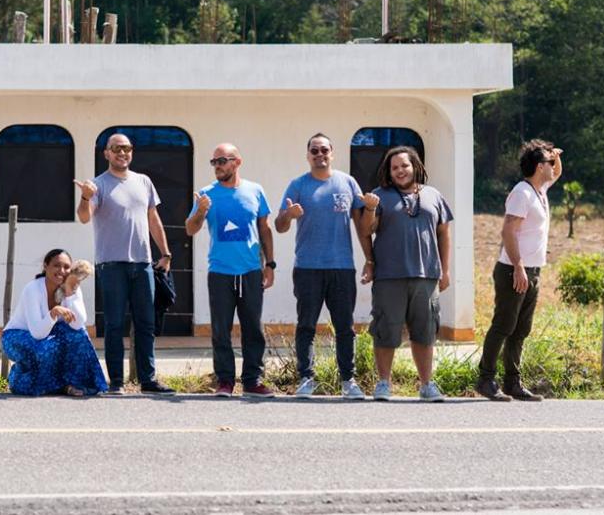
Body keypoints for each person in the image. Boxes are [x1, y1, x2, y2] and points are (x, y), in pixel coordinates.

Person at [75, 133, 174, 395]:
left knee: (146, 324)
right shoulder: (98, 184)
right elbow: (84, 217)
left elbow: (153, 218)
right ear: (106, 153)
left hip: (143, 264)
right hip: (111, 265)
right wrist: (85, 197)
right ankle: (116, 382)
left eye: (127, 148)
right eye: (116, 148)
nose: (122, 153)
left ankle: (148, 380)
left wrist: (165, 253)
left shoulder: (144, 181)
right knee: (114, 325)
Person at [275, 133, 372, 400]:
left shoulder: (348, 183)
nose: (320, 155)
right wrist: (288, 215)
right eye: (315, 151)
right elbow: (279, 226)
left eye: (324, 150)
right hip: (307, 268)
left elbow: (362, 226)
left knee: (345, 327)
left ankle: (348, 381)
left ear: (332, 153)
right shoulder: (298, 185)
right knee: (306, 326)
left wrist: (370, 259)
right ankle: (306, 379)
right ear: (308, 155)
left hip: (342, 267)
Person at [358, 146, 452, 402]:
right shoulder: (379, 196)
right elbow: (366, 230)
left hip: (426, 275)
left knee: (425, 331)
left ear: (415, 166)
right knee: (386, 330)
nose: (400, 171)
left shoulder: (433, 195)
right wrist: (370, 209)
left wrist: (445, 270)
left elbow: (444, 234)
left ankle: (426, 385)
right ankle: (383, 383)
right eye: (395, 167)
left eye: (404, 166)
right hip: (389, 276)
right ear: (388, 172)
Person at [186, 143, 276, 398]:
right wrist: (201, 211)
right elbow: (190, 229)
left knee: (253, 329)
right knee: (220, 330)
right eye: (214, 162)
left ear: (237, 162)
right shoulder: (206, 194)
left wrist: (270, 264)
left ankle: (253, 380)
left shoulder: (255, 191)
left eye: (222, 161)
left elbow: (265, 228)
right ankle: (225, 381)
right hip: (220, 272)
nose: (217, 166)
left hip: (250, 271)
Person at [476, 140, 563, 402]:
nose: (553, 166)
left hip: (533, 270)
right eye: (549, 161)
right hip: (513, 269)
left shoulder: (540, 190)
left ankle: (513, 382)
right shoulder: (522, 193)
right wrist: (518, 266)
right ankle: (486, 379)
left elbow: (557, 174)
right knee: (504, 325)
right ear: (538, 167)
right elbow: (508, 231)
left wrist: (555, 157)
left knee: (521, 329)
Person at [1, 249, 107, 396]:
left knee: (79, 337)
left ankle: (71, 383)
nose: (62, 271)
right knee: (47, 348)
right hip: (17, 336)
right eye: (57, 265)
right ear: (46, 266)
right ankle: (18, 378)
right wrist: (53, 313)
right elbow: (37, 333)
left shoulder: (72, 286)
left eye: (66, 267)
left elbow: (78, 325)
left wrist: (69, 292)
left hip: (48, 335)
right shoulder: (33, 289)